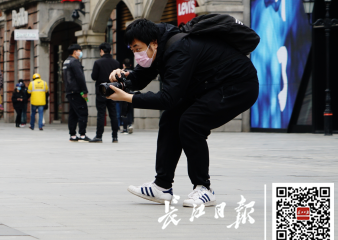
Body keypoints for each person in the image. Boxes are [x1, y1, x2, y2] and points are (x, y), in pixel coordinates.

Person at [107, 19, 258, 207]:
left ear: (153, 43)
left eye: (138, 48)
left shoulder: (179, 50)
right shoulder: (160, 47)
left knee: (191, 122)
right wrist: (124, 78)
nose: (136, 54)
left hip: (238, 85)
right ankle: (161, 187)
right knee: (170, 118)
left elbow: (167, 98)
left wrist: (129, 98)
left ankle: (204, 188)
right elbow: (141, 77)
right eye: (133, 50)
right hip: (209, 86)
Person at [90, 42, 121, 143]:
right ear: (110, 51)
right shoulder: (116, 63)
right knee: (113, 113)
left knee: (101, 114)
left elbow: (94, 77)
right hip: (113, 90)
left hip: (101, 91)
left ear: (101, 51)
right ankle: (115, 137)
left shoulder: (98, 62)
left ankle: (99, 136)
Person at [63, 44, 90, 142]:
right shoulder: (75, 62)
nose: (80, 53)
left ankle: (73, 135)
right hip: (77, 91)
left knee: (73, 113)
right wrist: (84, 90)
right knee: (83, 112)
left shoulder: (66, 61)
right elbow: (80, 77)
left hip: (70, 91)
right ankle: (82, 135)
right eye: (79, 51)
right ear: (75, 52)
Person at [120, 58, 135, 134]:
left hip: (124, 93)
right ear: (131, 65)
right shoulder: (133, 73)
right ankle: (130, 124)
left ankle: (125, 128)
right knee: (130, 110)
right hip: (132, 93)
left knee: (124, 111)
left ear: (123, 65)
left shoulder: (122, 73)